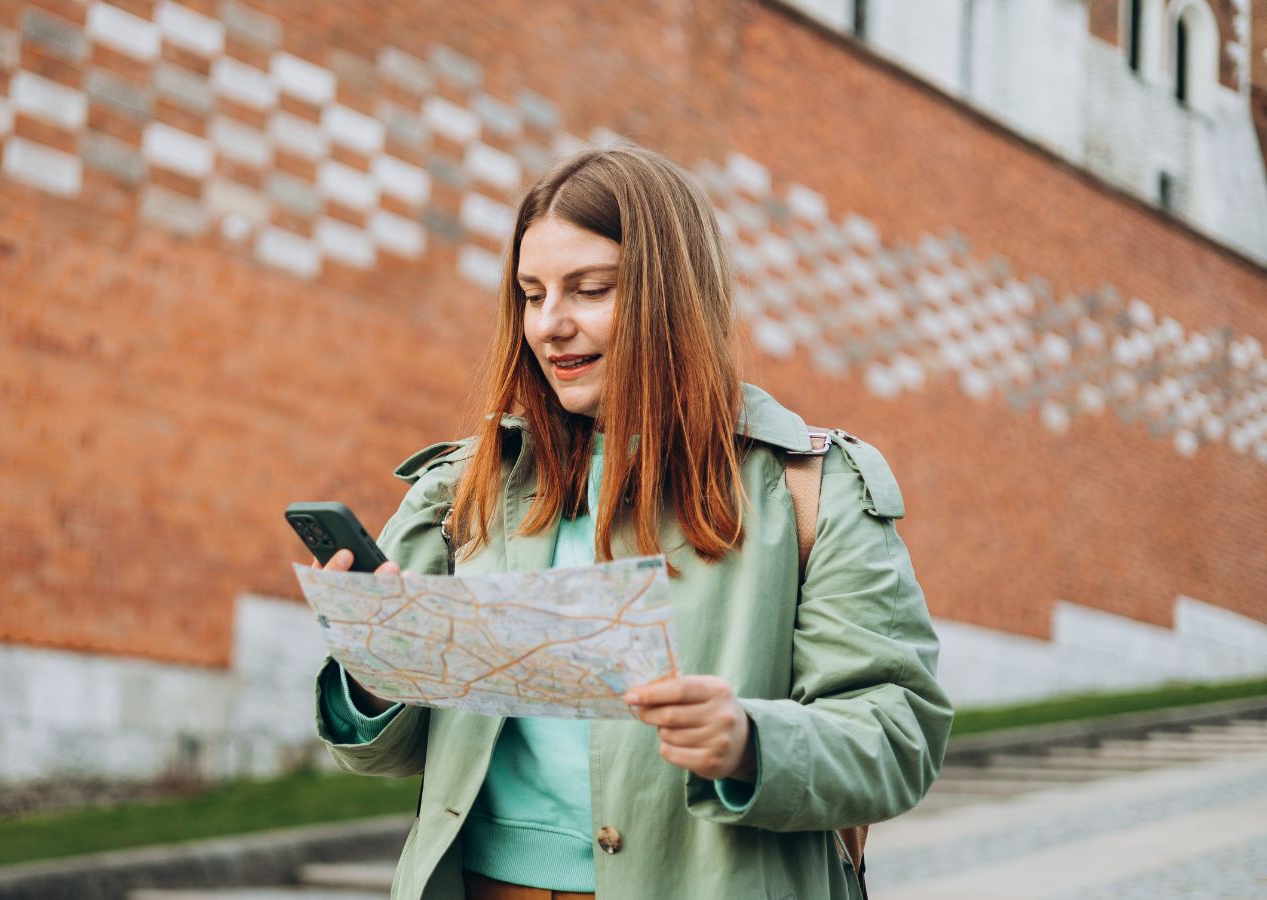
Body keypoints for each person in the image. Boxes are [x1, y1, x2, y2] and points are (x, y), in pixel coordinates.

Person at [309, 144, 951, 900]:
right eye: (531, 292)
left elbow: (899, 736)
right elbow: (391, 755)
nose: (550, 326)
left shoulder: (813, 489)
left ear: (670, 295)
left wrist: (751, 743)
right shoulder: (460, 486)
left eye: (590, 289)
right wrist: (376, 671)